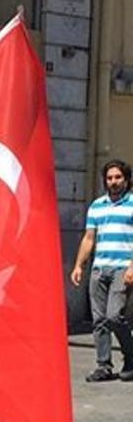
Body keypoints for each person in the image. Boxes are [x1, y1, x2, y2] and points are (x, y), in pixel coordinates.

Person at [71, 159, 133, 383]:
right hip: (99, 269)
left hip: (122, 268)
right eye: (110, 178)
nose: (114, 182)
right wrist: (79, 265)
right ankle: (103, 365)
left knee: (114, 316)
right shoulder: (97, 206)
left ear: (126, 179)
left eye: (118, 177)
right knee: (99, 320)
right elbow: (89, 238)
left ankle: (131, 356)